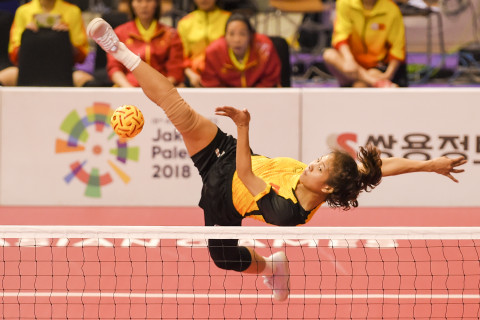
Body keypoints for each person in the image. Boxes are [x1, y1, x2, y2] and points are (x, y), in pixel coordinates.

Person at [87, 17, 467, 301]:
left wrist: (243, 126)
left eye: (318, 168)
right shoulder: (322, 178)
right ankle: (118, 49)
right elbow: (377, 170)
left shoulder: (288, 213)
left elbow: (247, 175)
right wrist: (429, 164)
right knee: (179, 111)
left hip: (228, 198)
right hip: (227, 156)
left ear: (327, 187)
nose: (311, 165)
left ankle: (271, 266)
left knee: (224, 259)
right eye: (318, 160)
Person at [0, 0, 92, 87]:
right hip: (27, 70)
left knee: (87, 80)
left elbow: (81, 56)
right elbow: (14, 54)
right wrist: (27, 36)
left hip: (63, 70)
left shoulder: (73, 11)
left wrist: (64, 37)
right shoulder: (23, 11)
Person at [322, 0, 407, 88]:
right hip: (349, 65)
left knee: (359, 85)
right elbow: (341, 35)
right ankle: (376, 82)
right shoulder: (344, 3)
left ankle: (368, 80)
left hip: (376, 67)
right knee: (329, 54)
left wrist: (388, 74)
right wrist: (349, 60)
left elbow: (398, 47)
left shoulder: (391, 9)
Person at [107, 0, 184, 87]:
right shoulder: (120, 33)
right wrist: (128, 89)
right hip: (129, 88)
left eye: (148, 1)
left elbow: (175, 71)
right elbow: (114, 67)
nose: (144, 5)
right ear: (132, 4)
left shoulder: (171, 34)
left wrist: (161, 89)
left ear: (156, 3)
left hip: (163, 90)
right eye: (139, 1)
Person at [201, 12, 281, 88]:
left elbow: (271, 78)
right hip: (226, 99)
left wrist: (254, 96)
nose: (237, 40)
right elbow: (210, 83)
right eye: (231, 34)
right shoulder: (213, 52)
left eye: (242, 34)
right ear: (225, 36)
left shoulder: (264, 47)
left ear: (250, 35)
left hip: (260, 96)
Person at [176, 0, 230, 87]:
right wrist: (191, 75)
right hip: (194, 77)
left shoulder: (228, 19)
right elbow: (181, 56)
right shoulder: (184, 23)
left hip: (224, 74)